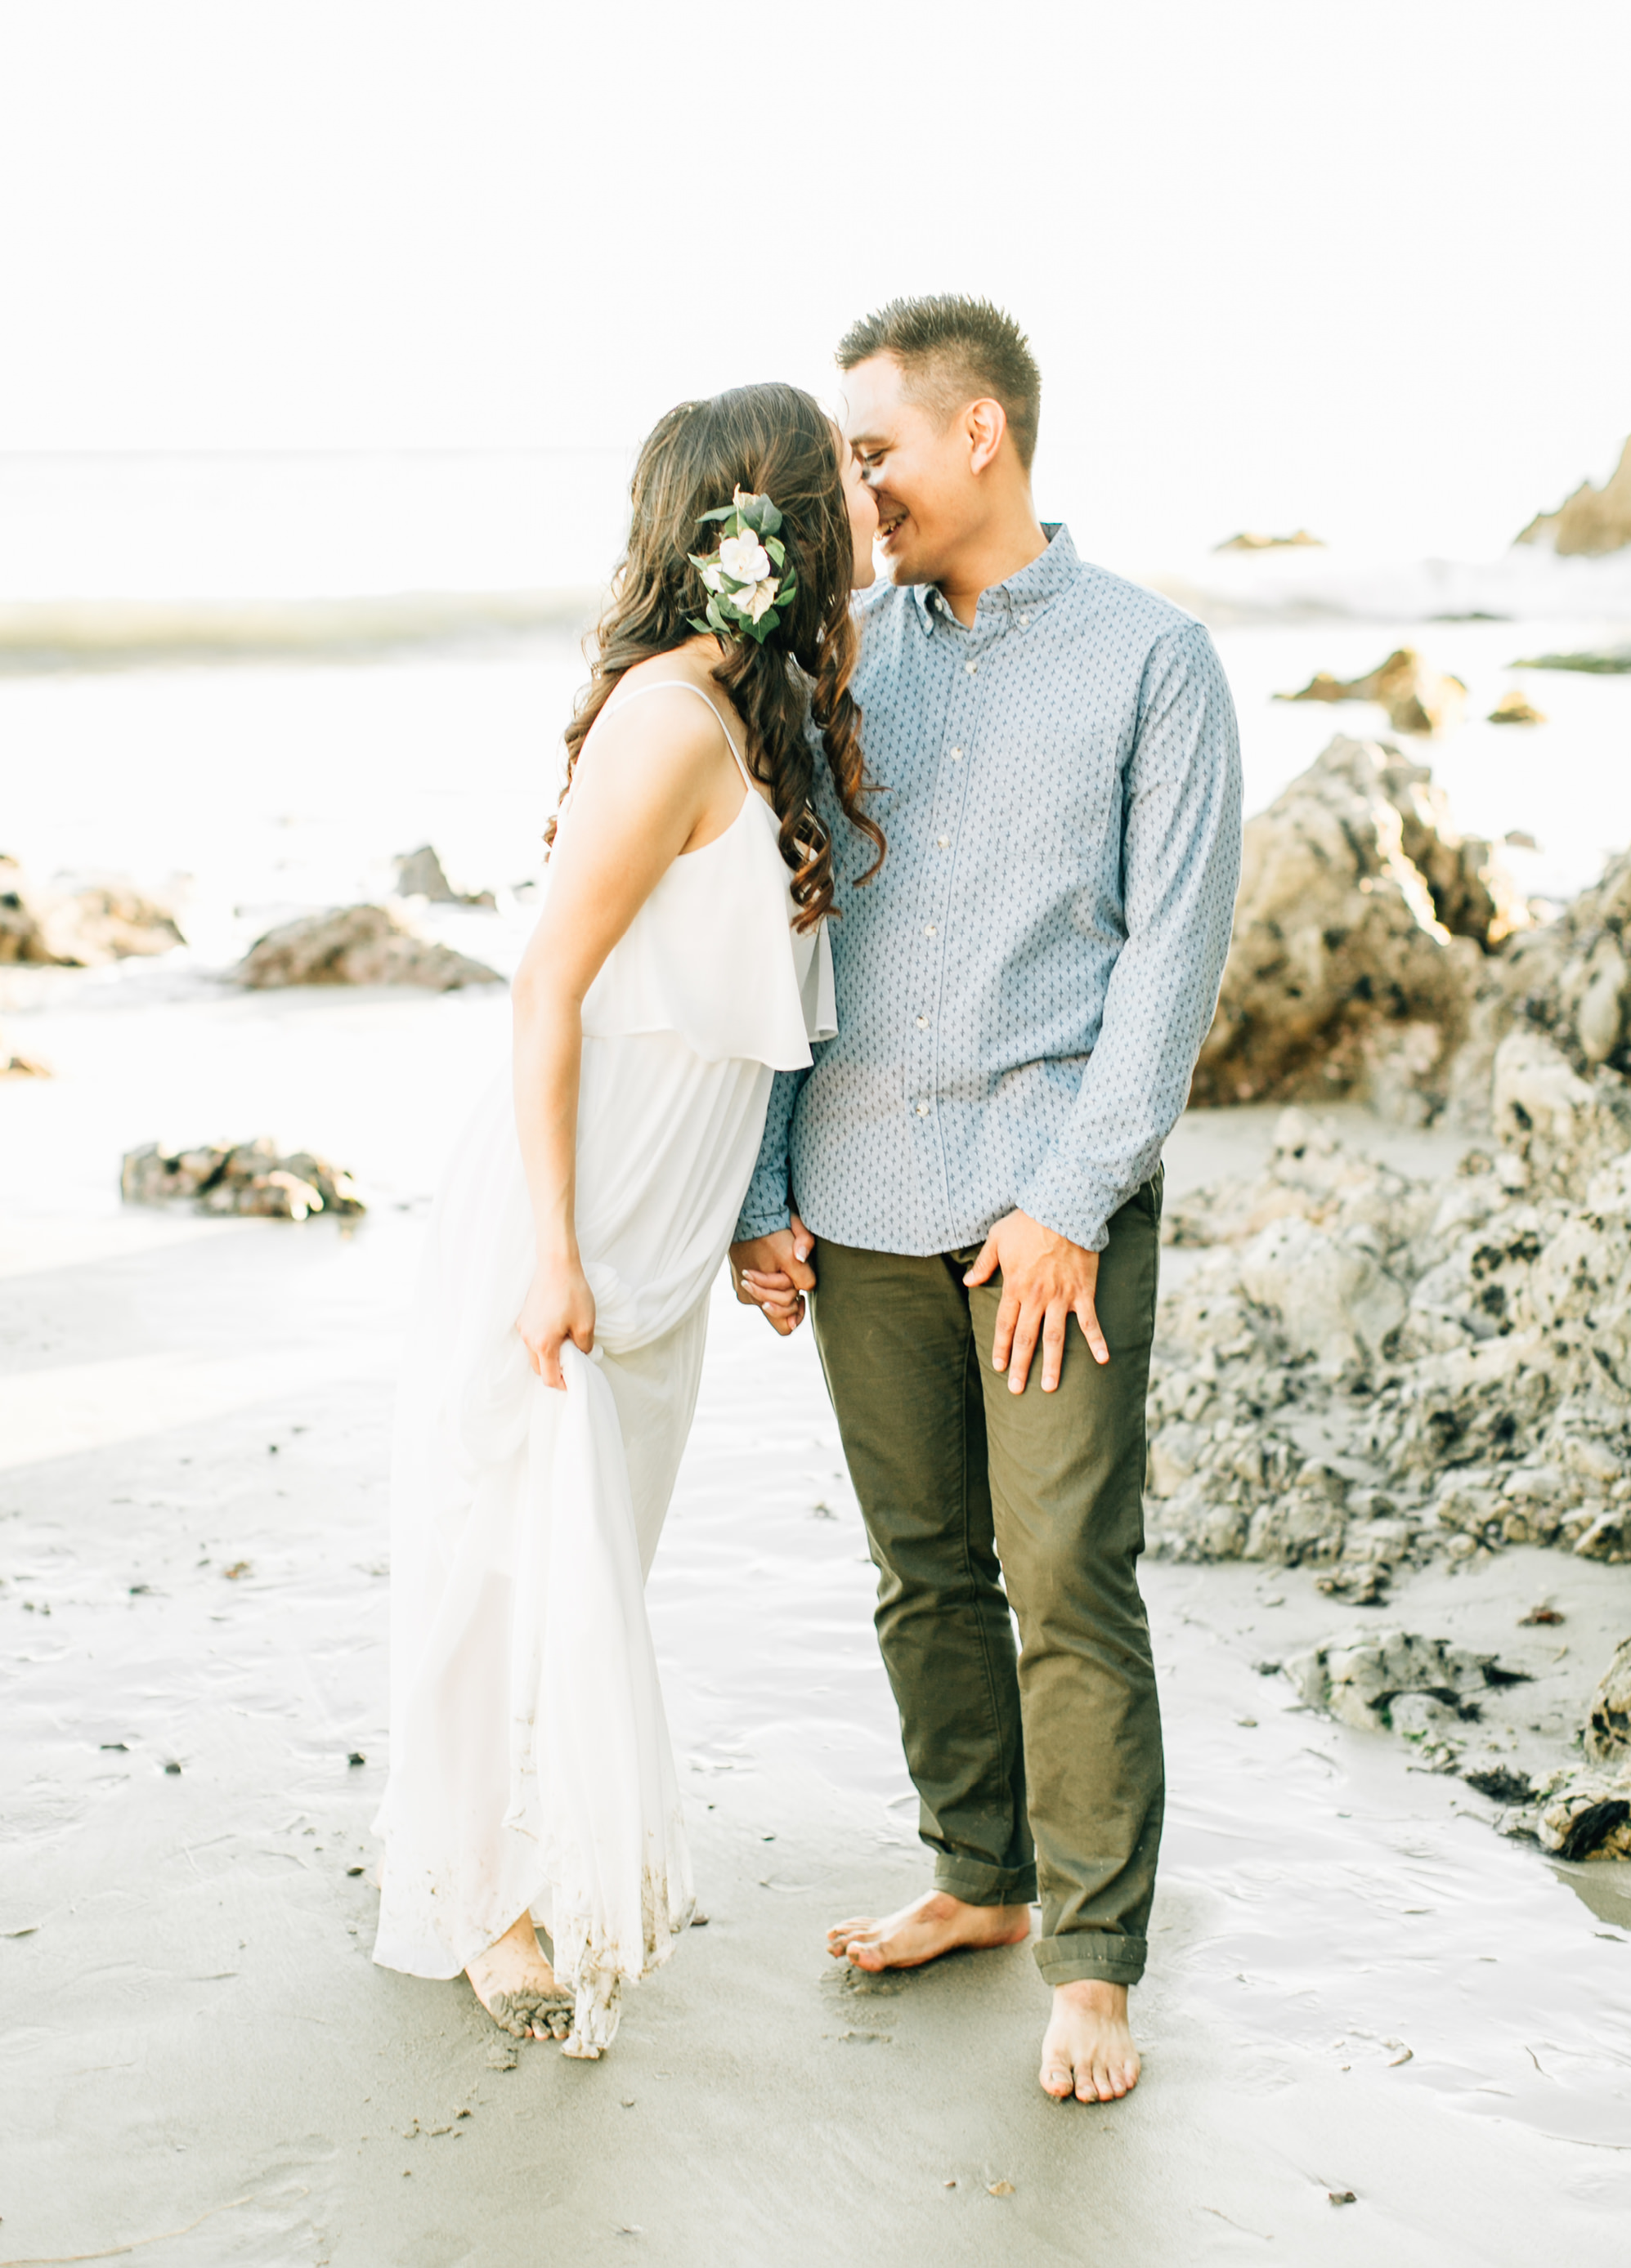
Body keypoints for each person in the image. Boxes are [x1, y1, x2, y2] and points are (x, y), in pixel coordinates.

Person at [731, 296, 1242, 2105]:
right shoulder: (833, 655)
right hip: (860, 1192)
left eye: (871, 448)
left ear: (979, 436)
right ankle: (981, 1874)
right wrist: (764, 1181)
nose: (849, 482)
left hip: (1048, 1205)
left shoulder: (1151, 659)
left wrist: (1067, 1197)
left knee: (1064, 1575)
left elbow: (1171, 963)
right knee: (921, 1570)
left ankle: (1095, 1957)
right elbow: (778, 928)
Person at [372, 383, 883, 2056]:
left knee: (594, 1566)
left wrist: (745, 1217)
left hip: (655, 1233)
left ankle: (516, 1852)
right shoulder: (667, 723)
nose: (861, 524)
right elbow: (547, 988)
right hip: (568, 1219)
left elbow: (743, 1021)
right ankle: (480, 1900)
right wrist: (554, 1250)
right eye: (839, 498)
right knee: (507, 1560)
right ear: (772, 532)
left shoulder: (762, 721)